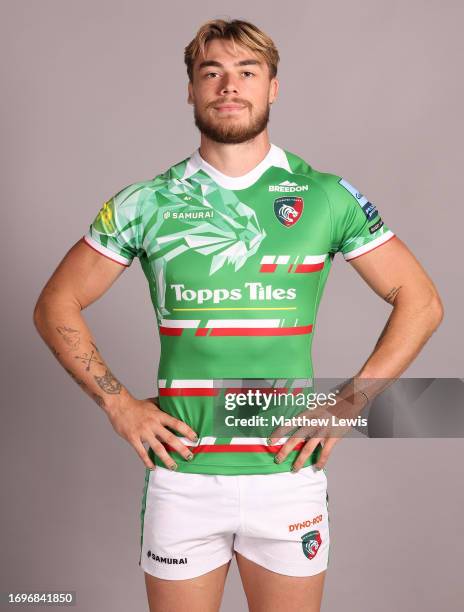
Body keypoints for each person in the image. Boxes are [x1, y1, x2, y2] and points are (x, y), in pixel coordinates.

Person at [33, 18, 444, 612]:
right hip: (184, 478)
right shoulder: (147, 201)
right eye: (212, 73)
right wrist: (117, 402)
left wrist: (350, 402)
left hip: (285, 476)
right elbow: (56, 304)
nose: (230, 86)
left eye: (246, 72)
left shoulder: (325, 195)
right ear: (192, 90)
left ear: (273, 86)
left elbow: (422, 302)